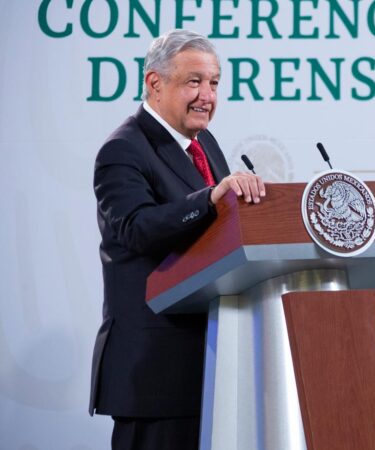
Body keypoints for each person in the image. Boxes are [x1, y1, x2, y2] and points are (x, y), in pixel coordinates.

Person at [88, 30, 266, 450]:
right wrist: (208, 199)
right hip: (154, 373)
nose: (207, 95)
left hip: (210, 366)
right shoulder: (123, 149)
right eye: (194, 82)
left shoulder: (205, 145)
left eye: (214, 83)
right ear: (155, 83)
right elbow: (137, 228)